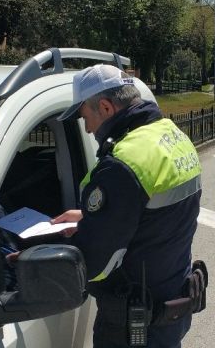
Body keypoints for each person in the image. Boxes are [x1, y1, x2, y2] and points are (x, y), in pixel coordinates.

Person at [52, 64, 204, 348]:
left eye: (86, 117)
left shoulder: (123, 164)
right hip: (173, 305)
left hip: (135, 326)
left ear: (107, 108)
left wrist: (48, 250)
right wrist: (91, 216)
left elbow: (96, 264)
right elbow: (152, 214)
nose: (86, 128)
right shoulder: (172, 135)